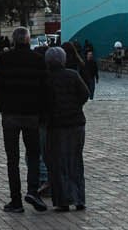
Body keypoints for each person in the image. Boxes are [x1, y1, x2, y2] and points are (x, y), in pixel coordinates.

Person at [0, 27, 48, 213]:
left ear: (13, 41)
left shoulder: (4, 60)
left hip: (10, 115)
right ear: (28, 41)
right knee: (33, 155)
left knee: (12, 159)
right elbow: (45, 87)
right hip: (32, 114)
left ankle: (15, 200)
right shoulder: (38, 60)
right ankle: (33, 191)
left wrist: (2, 107)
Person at [43, 46, 89, 212]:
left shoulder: (46, 79)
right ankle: (79, 198)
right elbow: (85, 93)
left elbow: (44, 103)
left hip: (57, 125)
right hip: (76, 123)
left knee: (58, 162)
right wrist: (75, 106)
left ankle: (63, 200)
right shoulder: (72, 75)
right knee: (76, 160)